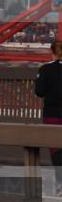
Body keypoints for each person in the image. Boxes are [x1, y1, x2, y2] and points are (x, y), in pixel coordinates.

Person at [35, 41, 62, 194]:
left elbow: (39, 92)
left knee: (56, 150)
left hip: (52, 114)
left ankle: (60, 183)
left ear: (52, 52)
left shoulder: (45, 69)